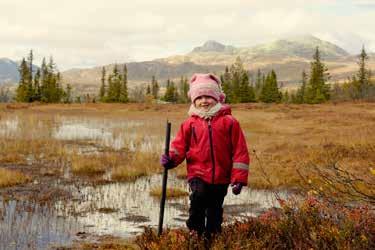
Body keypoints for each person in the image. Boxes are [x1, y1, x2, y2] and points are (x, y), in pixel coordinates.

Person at [160, 73, 250, 238]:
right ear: (194, 100)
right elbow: (179, 147)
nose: (204, 101)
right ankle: (195, 234)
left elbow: (240, 151)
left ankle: (212, 238)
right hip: (198, 174)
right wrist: (171, 159)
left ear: (217, 98)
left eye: (208, 96)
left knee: (215, 209)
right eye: (199, 97)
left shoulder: (230, 122)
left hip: (222, 176)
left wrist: (238, 178)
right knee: (198, 200)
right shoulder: (189, 124)